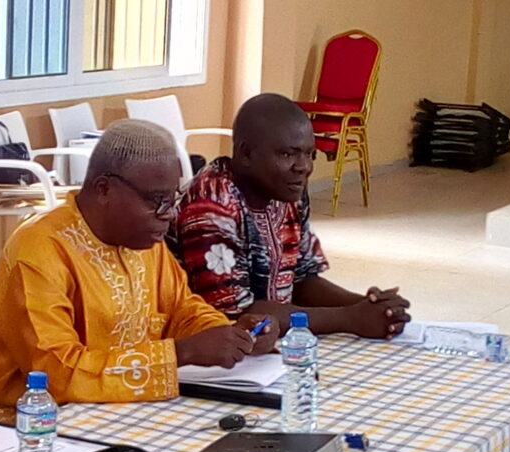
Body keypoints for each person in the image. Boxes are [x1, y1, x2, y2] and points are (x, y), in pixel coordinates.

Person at [0, 120, 278, 430]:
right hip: (26, 427)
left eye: (173, 199)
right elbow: (56, 374)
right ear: (104, 189)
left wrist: (230, 335)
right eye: (157, 201)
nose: (169, 215)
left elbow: (181, 310)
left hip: (120, 411)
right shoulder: (39, 251)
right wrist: (183, 352)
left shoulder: (142, 239)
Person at [167, 93, 411, 339]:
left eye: (310, 154)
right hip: (208, 346)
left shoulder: (286, 192)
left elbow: (301, 279)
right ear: (246, 153)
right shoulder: (211, 205)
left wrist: (369, 306)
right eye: (287, 154)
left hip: (267, 342)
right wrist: (350, 318)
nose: (303, 166)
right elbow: (235, 314)